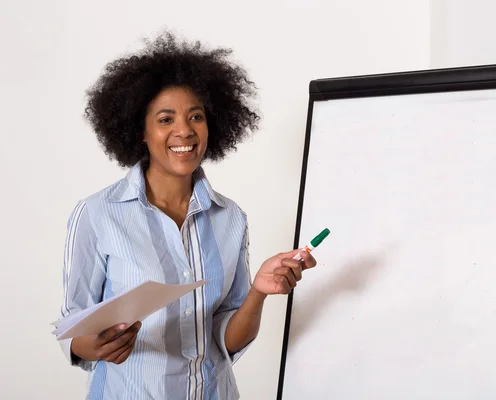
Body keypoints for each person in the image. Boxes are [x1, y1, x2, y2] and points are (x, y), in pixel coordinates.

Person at [57, 31, 317, 400]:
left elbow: (226, 341)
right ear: (140, 131)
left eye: (196, 116)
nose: (184, 130)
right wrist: (96, 345)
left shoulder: (230, 218)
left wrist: (258, 292)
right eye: (166, 119)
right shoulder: (98, 214)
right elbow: (73, 327)